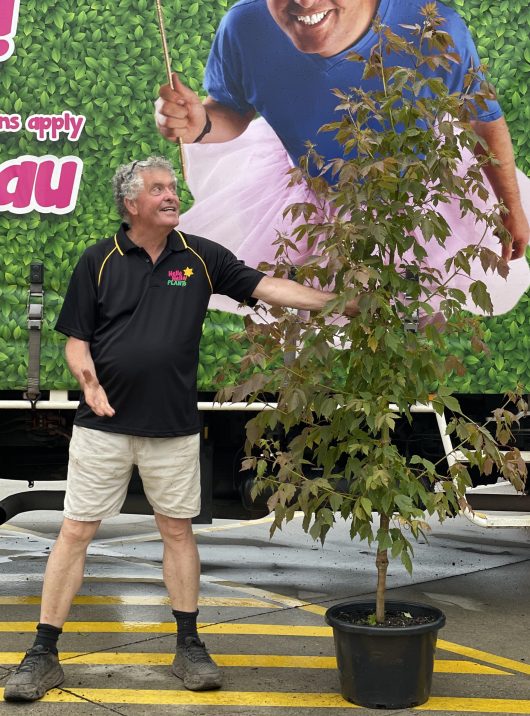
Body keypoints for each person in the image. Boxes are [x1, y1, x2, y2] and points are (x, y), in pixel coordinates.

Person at [3, 156, 359, 703]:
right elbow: (76, 338)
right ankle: (43, 653)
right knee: (75, 531)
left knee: (177, 532)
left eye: (173, 187)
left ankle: (189, 646)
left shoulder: (200, 257)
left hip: (172, 426)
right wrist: (88, 381)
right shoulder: (98, 260)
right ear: (132, 202)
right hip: (104, 425)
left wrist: (338, 303)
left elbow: (268, 287)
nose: (172, 195)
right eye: (159, 189)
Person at [155, 0, 530, 316]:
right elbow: (231, 109)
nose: (303, 1)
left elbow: (483, 121)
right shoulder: (244, 26)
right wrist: (201, 123)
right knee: (317, 321)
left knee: (413, 312)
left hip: (418, 202)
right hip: (310, 199)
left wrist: (510, 206)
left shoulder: (435, 26)